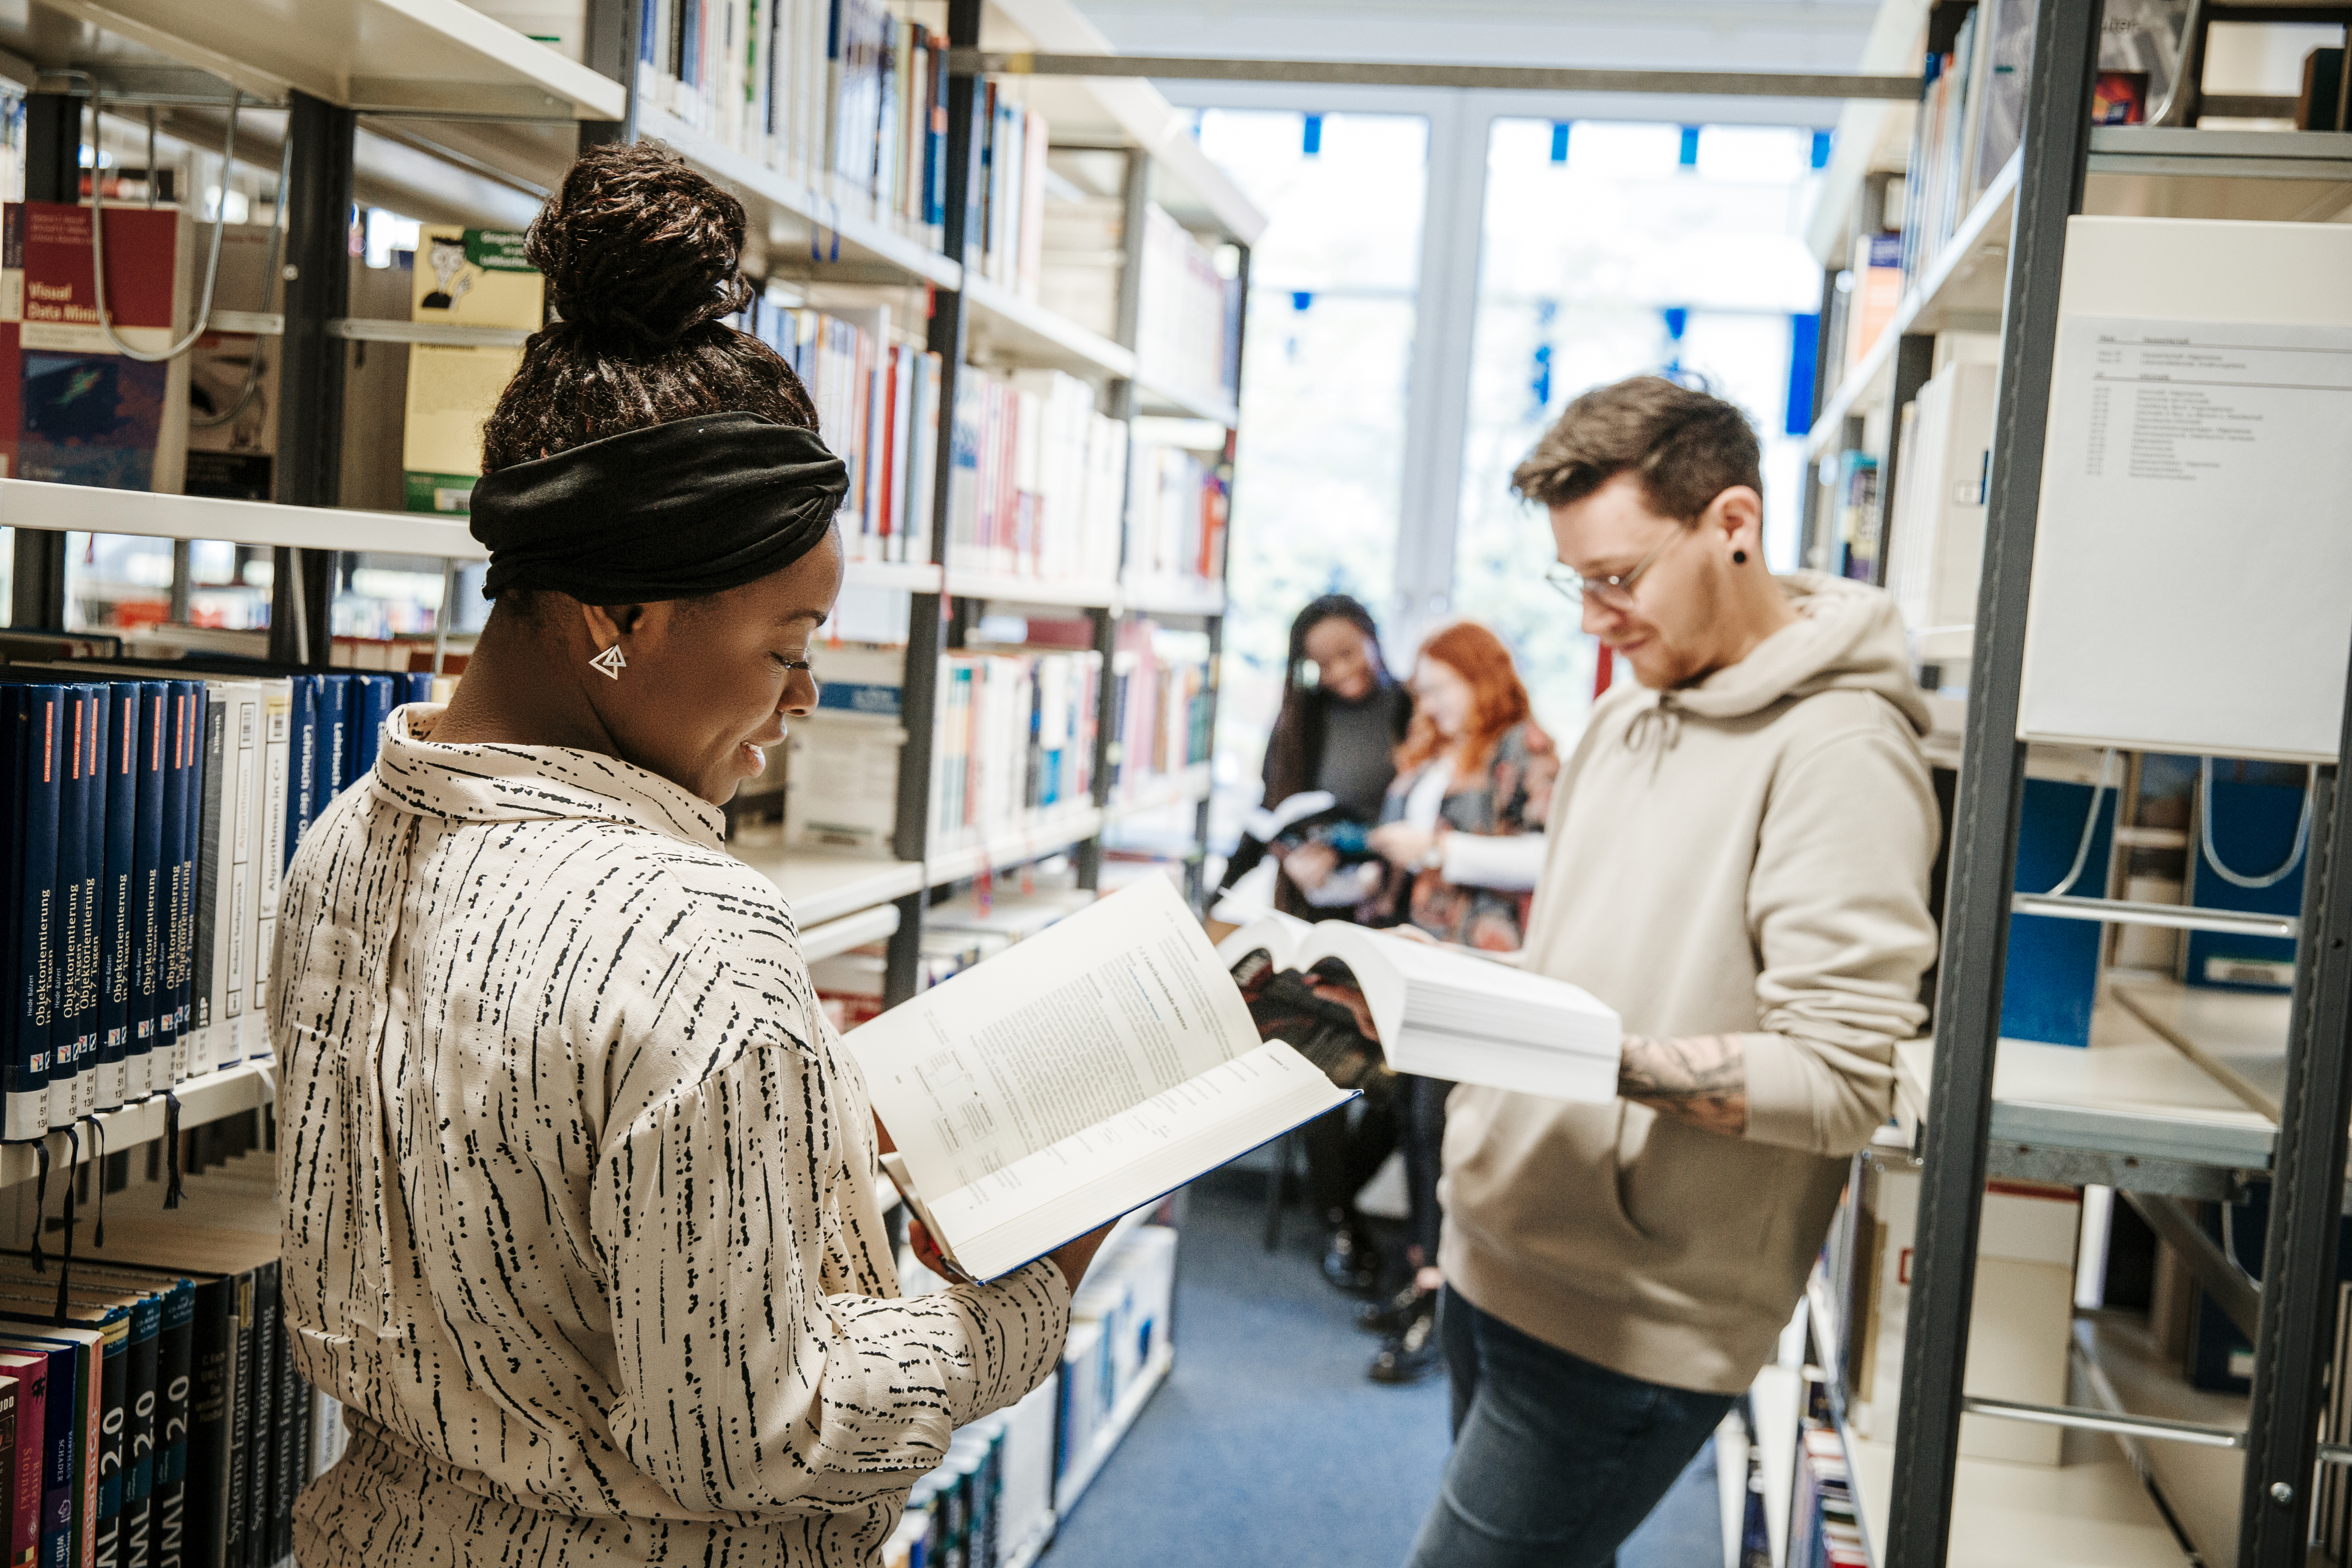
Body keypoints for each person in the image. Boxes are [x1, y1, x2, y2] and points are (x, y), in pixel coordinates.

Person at [272, 144, 1107, 1568]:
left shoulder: (344, 834)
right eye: (785, 646)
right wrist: (1018, 1303)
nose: (805, 698)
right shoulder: (694, 929)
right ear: (620, 614)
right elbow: (749, 1434)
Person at [1383, 376, 1939, 1568]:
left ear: (1733, 523)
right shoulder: (1626, 720)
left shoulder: (1842, 754)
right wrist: (1452, 993)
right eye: (1574, 581)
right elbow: (1586, 958)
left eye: (1618, 579)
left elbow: (1843, 1078)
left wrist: (1588, 1062)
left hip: (1628, 1314)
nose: (1594, 618)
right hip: (1494, 1240)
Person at [1352, 621, 1556, 1384]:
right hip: (1417, 950)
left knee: (1445, 1124)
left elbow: (1547, 853)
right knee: (1413, 1118)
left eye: (1442, 688)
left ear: (1482, 677)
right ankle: (1423, 1268)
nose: (1430, 705)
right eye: (1423, 692)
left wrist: (1441, 852)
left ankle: (1446, 1293)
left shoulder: (1522, 747)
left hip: (1477, 956)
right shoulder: (1436, 749)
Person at [1217, 594, 1415, 1293]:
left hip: (1395, 910)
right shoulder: (1301, 720)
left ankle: (1342, 1197)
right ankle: (1339, 1220)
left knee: (1400, 1077)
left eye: (1349, 655)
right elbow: (1274, 810)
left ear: (1374, 640)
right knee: (1316, 1061)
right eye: (1321, 663)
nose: (1338, 672)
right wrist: (1244, 877)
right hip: (1315, 910)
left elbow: (1418, 814)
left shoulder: (1412, 711)